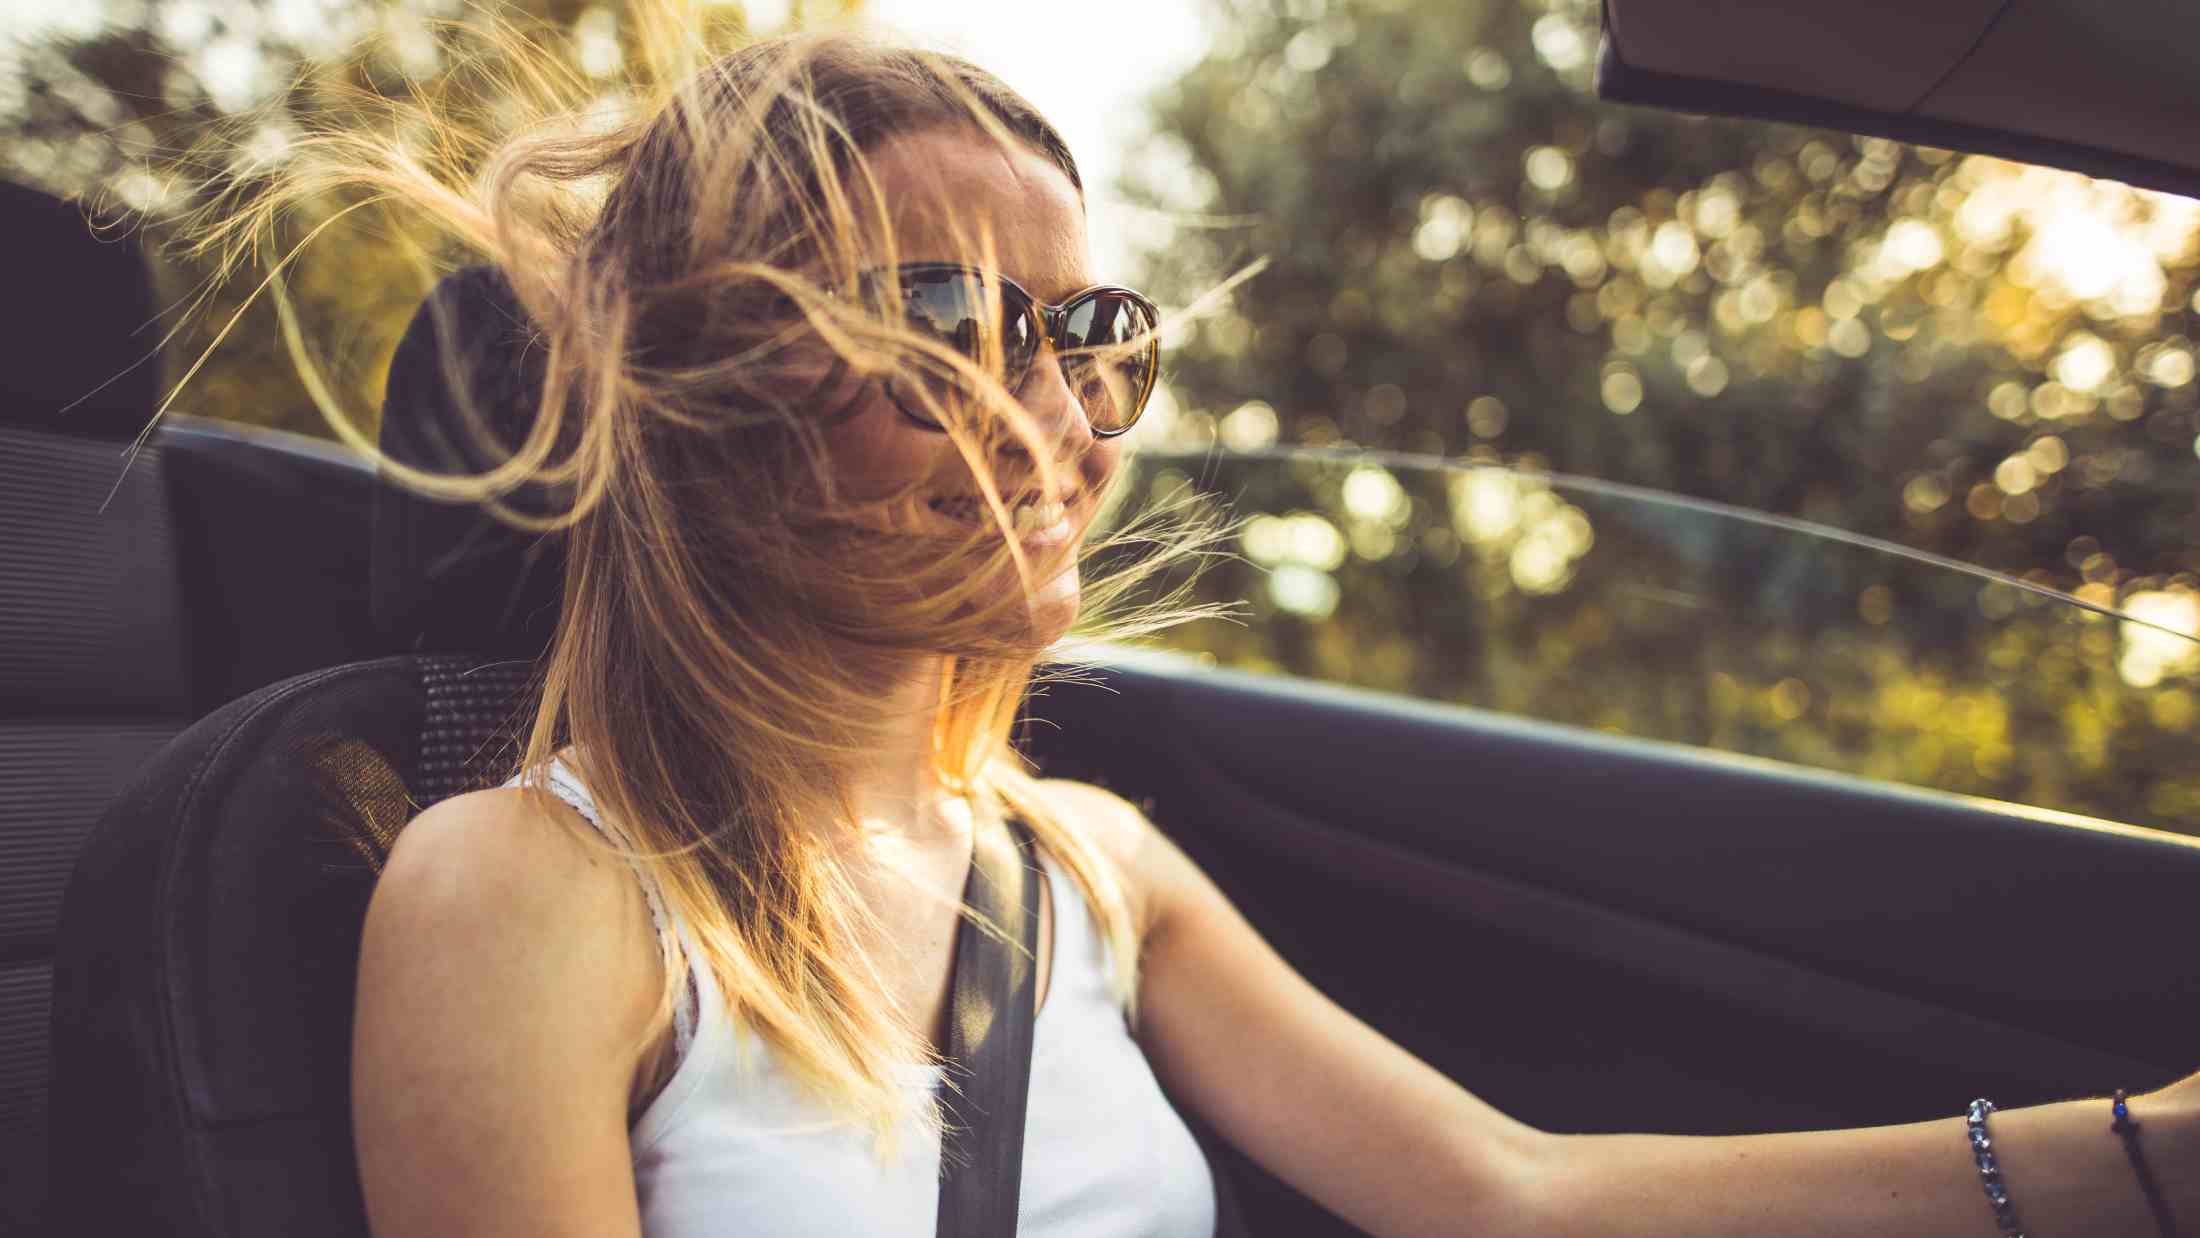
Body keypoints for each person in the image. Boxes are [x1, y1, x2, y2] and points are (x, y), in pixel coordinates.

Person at [196, 17, 2196, 1238]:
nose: (1055, 406)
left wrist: (2141, 1155)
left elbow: (1512, 1195)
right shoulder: (522, 891)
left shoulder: (1087, 866)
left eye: (1091, 333)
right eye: (947, 331)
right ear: (712, 407)